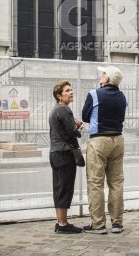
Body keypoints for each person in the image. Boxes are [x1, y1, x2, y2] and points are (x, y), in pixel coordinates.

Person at [81, 67, 127, 234]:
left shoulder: (94, 94)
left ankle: (98, 224)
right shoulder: (123, 97)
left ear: (106, 80)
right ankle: (117, 223)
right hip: (118, 140)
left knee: (95, 182)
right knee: (116, 182)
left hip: (99, 140)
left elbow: (85, 116)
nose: (101, 76)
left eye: (103, 74)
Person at [49, 80, 84, 234]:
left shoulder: (55, 110)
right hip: (64, 153)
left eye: (71, 90)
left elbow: (62, 130)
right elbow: (71, 132)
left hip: (55, 152)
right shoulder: (64, 109)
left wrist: (73, 127)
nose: (71, 92)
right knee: (65, 187)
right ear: (59, 96)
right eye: (67, 91)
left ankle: (60, 222)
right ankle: (63, 224)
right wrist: (78, 128)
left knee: (58, 188)